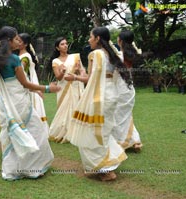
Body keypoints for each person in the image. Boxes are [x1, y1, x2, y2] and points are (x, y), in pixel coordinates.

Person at [0, 26, 60, 180]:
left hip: (6, 101)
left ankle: (12, 170)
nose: (19, 41)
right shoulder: (14, 58)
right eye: (16, 38)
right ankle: (31, 168)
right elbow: (25, 84)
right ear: (8, 40)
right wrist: (47, 88)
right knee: (37, 131)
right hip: (19, 100)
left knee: (11, 135)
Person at [66, 27, 130, 181]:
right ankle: (104, 166)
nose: (89, 40)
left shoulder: (95, 55)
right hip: (111, 96)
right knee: (103, 132)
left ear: (98, 39)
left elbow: (90, 79)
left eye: (91, 37)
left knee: (91, 132)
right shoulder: (113, 54)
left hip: (98, 98)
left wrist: (74, 77)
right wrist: (80, 74)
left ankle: (105, 169)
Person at [48, 37, 88, 143]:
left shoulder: (75, 57)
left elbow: (82, 71)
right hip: (63, 88)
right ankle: (64, 133)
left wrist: (78, 71)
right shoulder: (55, 61)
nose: (65, 45)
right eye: (62, 44)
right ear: (57, 47)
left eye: (66, 43)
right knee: (64, 111)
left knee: (76, 108)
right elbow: (59, 77)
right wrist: (63, 71)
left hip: (75, 86)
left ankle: (76, 134)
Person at [112, 30, 143, 152]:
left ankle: (123, 142)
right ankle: (135, 141)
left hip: (119, 89)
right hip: (129, 89)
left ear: (120, 41)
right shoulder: (133, 54)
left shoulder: (119, 56)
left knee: (118, 116)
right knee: (126, 116)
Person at [17, 33, 49, 135]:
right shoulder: (21, 55)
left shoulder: (25, 57)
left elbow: (22, 72)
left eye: (20, 41)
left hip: (27, 84)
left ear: (25, 44)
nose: (17, 42)